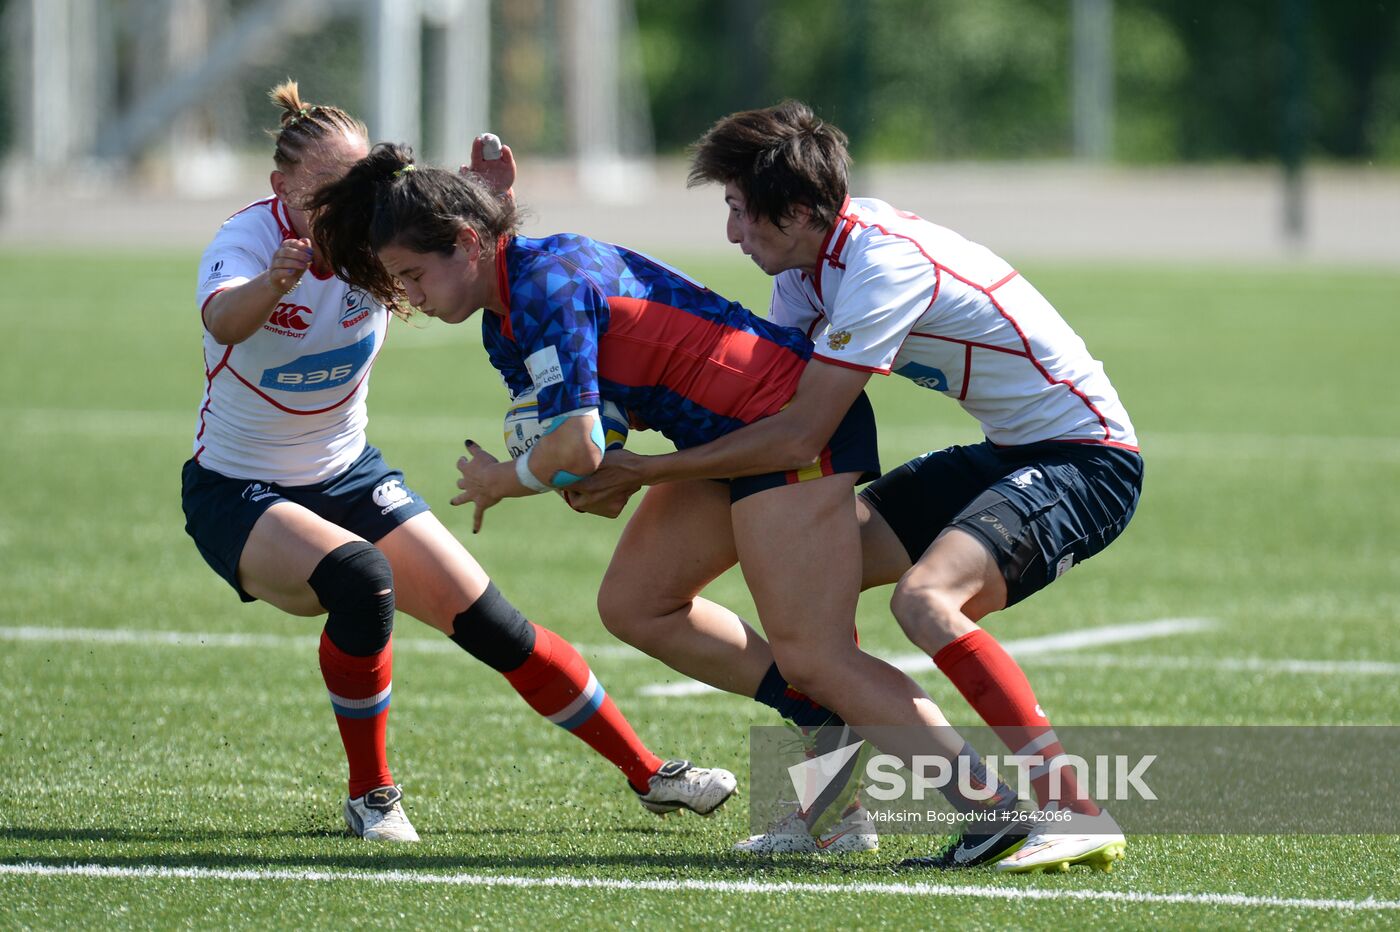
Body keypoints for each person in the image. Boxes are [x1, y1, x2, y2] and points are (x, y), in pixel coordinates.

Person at [310, 143, 1035, 866]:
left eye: (413, 275)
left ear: (469, 244)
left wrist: (514, 478)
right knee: (636, 603)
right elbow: (593, 436)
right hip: (723, 436)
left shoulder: (544, 288)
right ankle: (832, 779)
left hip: (782, 430)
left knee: (816, 656)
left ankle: (991, 809)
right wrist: (576, 479)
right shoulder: (505, 316)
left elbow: (582, 444)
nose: (410, 296)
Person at [570, 100, 1143, 874]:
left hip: (1087, 460)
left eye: (741, 212)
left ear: (799, 209)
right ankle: (833, 810)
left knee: (923, 602)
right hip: (1005, 450)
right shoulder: (812, 263)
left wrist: (646, 472)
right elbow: (765, 395)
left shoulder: (881, 266)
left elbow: (801, 433)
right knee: (808, 598)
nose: (732, 234)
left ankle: (1069, 807)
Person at [180, 82, 736, 843]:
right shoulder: (247, 243)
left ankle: (651, 774)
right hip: (238, 490)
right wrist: (271, 283)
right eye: (326, 192)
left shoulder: (371, 240)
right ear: (281, 189)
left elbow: (463, 253)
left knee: (496, 626)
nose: (353, 204)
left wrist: (491, 203)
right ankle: (371, 797)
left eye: (362, 183)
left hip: (347, 474)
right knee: (360, 580)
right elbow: (220, 318)